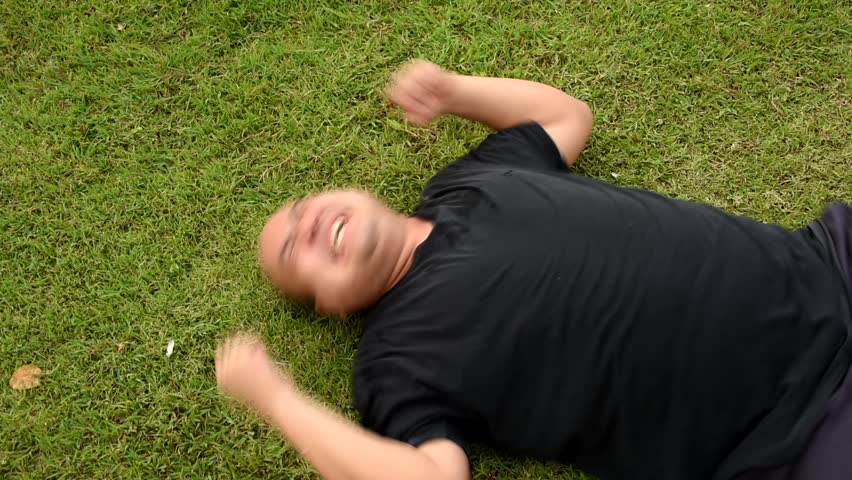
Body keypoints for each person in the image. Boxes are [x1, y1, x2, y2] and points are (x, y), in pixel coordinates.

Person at [213, 60, 852, 480]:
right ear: (329, 306)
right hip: (794, 428)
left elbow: (566, 117)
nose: (309, 224)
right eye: (294, 250)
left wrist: (457, 93)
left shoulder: (465, 183)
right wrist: (279, 402)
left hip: (827, 264)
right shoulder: (393, 363)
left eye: (301, 208)